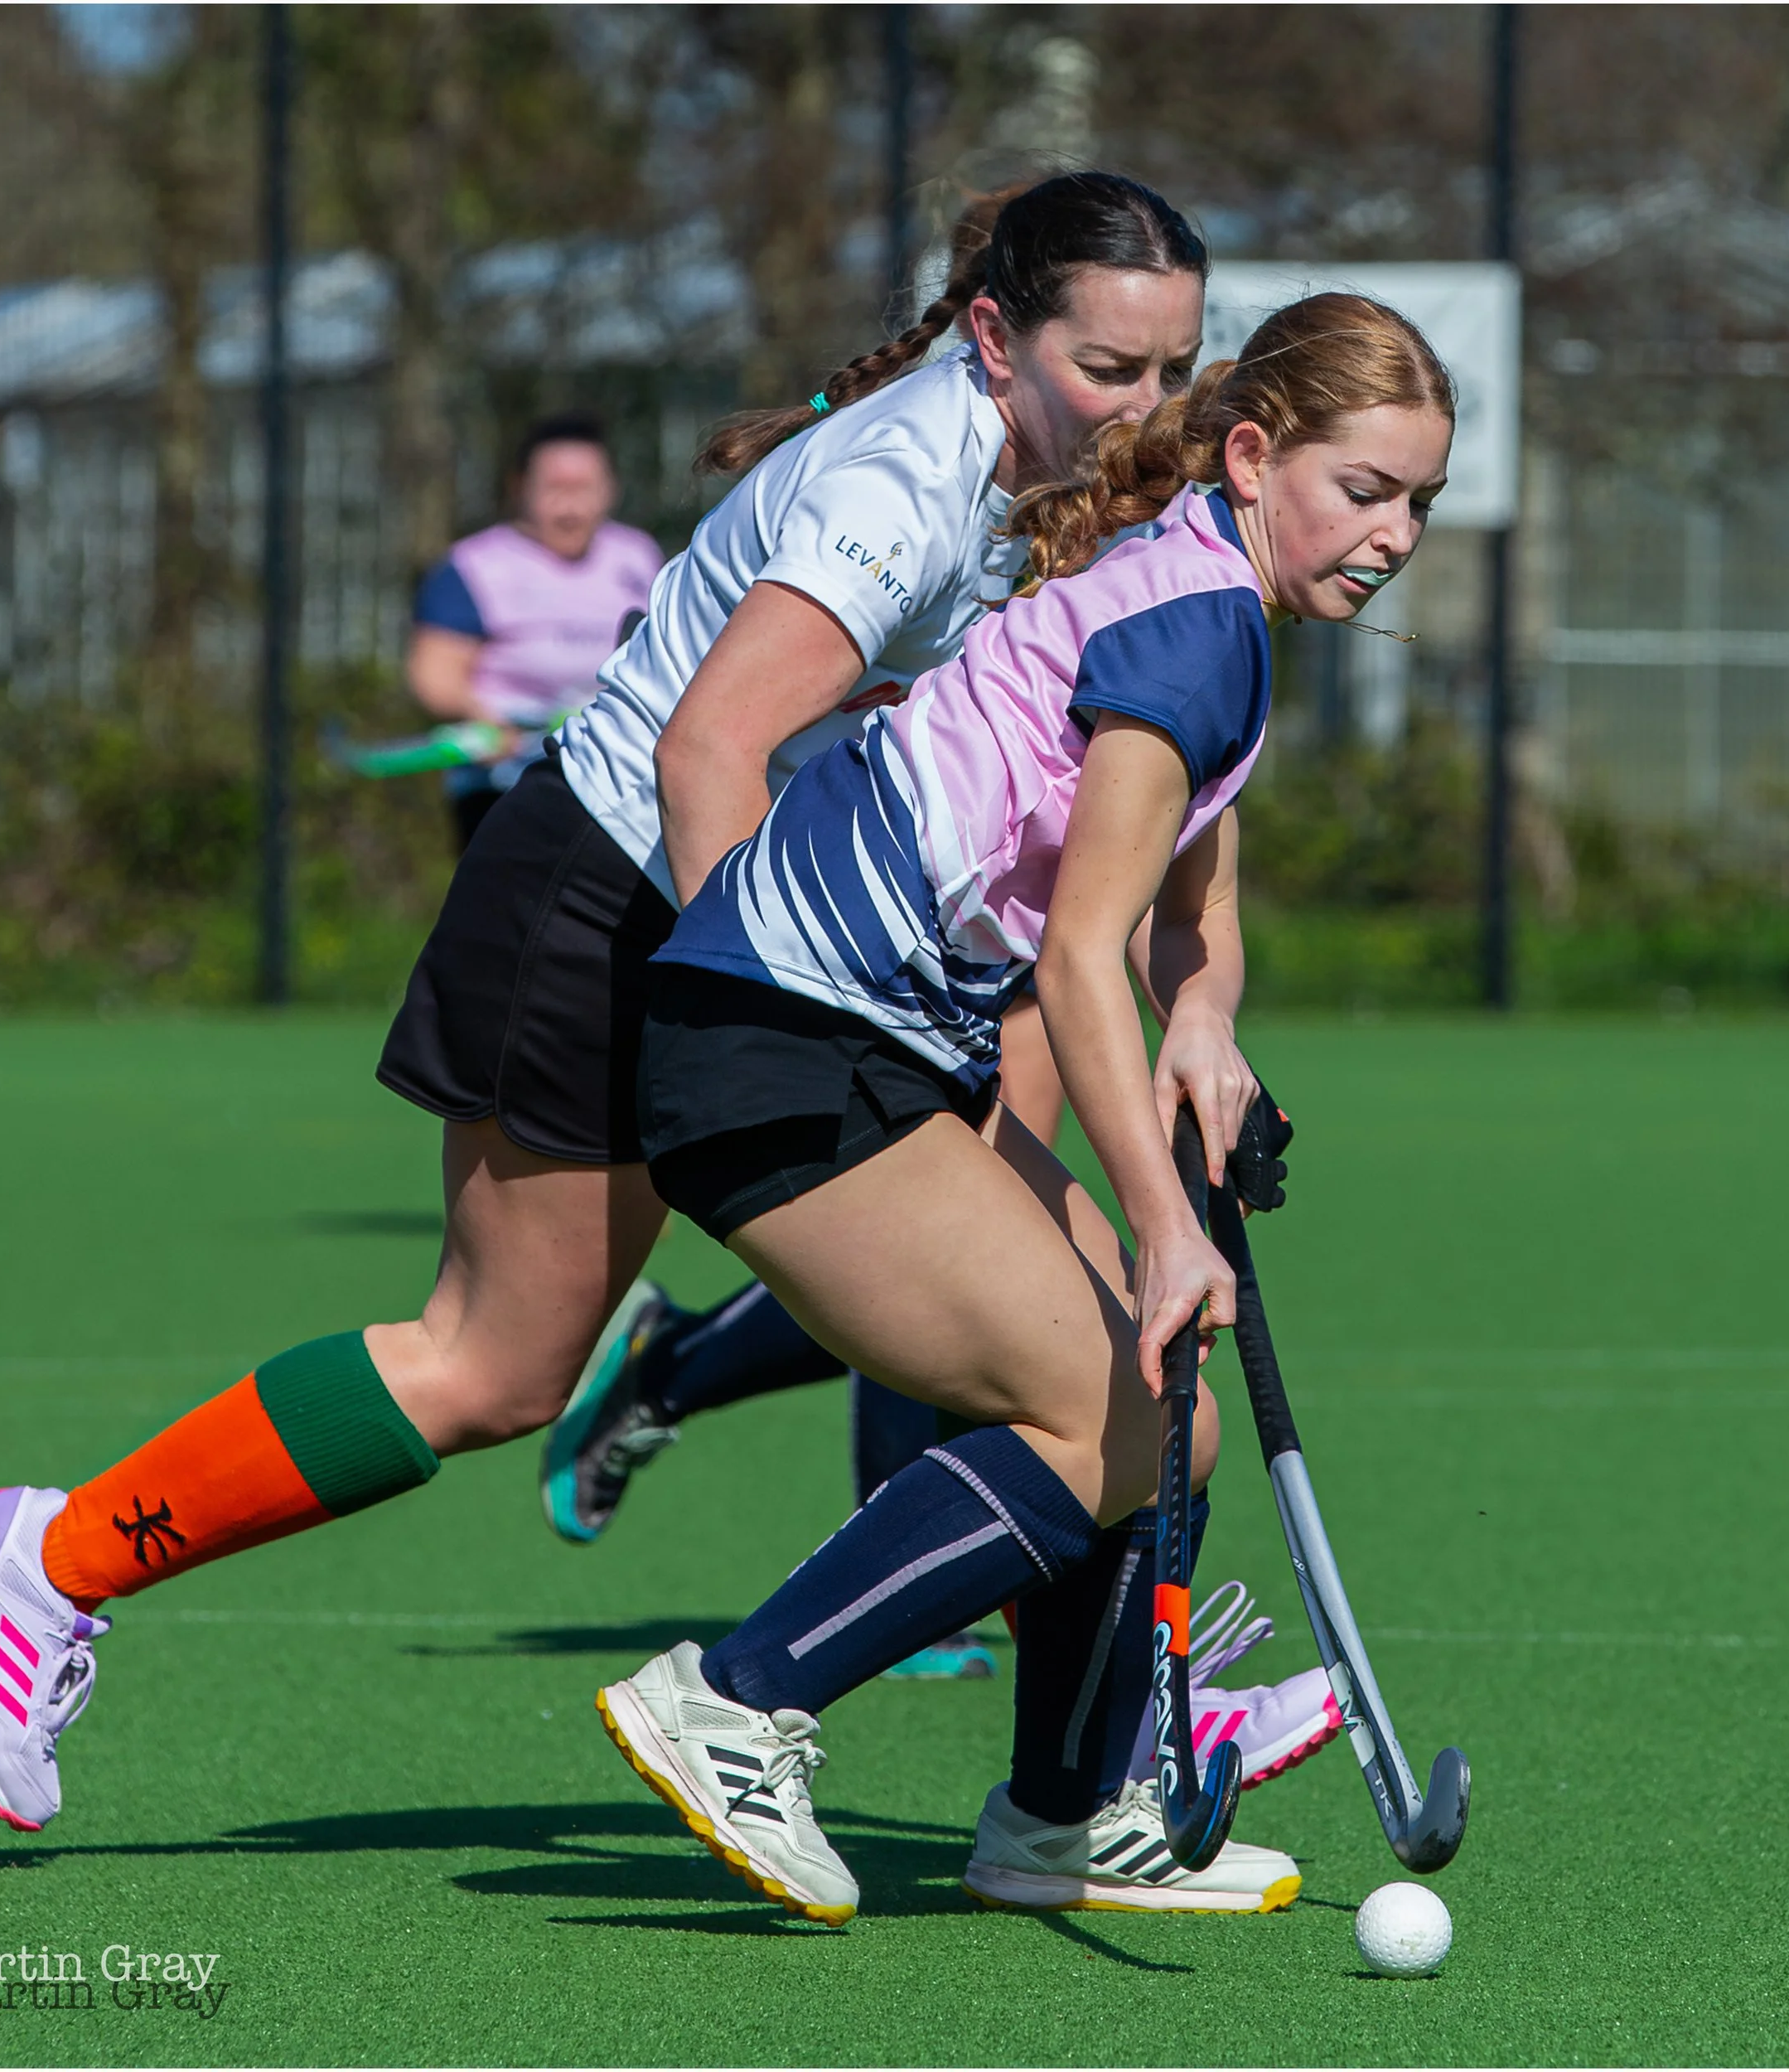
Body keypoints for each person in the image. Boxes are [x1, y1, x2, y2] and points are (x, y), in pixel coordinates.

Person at [0, 172, 1219, 1837]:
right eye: (1109, 369)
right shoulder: (902, 483)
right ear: (994, 333)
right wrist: (777, 1010)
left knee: (1041, 1349)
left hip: (730, 923)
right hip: (612, 907)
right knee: (490, 1364)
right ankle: (46, 1558)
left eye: (1176, 369)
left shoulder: (1020, 464)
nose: (1147, 408)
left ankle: (1101, 1742)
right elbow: (707, 751)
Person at [597, 293, 1456, 1922]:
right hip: (776, 1034)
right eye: (1365, 490)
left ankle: (1060, 1815)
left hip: (864, 1034)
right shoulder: (1198, 626)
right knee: (1097, 1404)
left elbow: (1184, 895)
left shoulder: (1212, 592)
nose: (1395, 533)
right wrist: (1156, 1222)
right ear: (1260, 453)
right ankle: (737, 1696)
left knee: (1164, 1415)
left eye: (1418, 499)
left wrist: (1203, 1017)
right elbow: (1073, 964)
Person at [408, 414, 663, 852]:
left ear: (611, 488)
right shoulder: (473, 566)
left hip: (616, 777)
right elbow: (434, 676)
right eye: (555, 489)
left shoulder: (638, 557)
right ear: (519, 487)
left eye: (584, 488)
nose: (570, 508)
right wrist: (482, 715)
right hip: (503, 783)